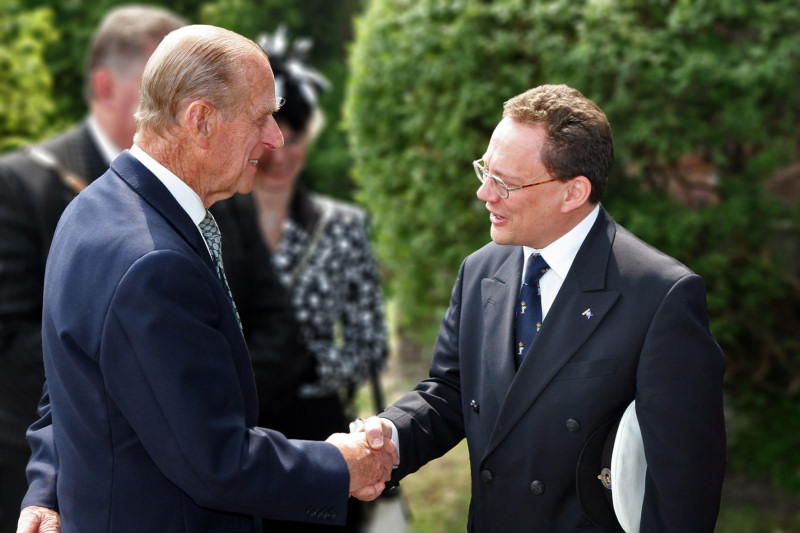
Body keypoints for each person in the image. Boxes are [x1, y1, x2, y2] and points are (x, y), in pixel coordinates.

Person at [21, 24, 397, 533]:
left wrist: (44, 486)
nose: (275, 137)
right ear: (200, 120)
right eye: (261, 116)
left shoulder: (92, 207)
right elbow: (215, 463)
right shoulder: (153, 264)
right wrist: (342, 466)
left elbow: (72, 376)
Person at [360, 84, 727, 531]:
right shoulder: (480, 270)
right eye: (485, 172)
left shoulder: (661, 296)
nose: (484, 195)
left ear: (573, 193)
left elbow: (682, 487)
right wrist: (389, 436)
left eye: (505, 183)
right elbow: (454, 391)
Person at [0, 6, 186, 533]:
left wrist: (190, 406)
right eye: (160, 87)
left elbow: (254, 317)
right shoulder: (19, 185)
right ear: (106, 86)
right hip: (49, 483)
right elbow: (11, 341)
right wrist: (148, 399)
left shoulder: (206, 188)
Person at [212, 27, 389, 532]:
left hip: (315, 428)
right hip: (232, 422)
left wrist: (307, 366)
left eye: (297, 136)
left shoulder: (343, 225)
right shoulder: (212, 220)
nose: (281, 151)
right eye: (274, 133)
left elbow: (370, 343)